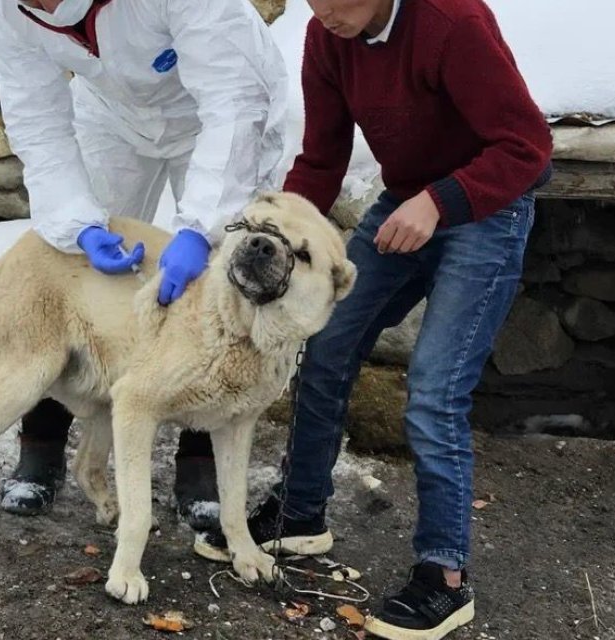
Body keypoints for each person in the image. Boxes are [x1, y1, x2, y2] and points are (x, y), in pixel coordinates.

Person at [192, 0, 552, 638]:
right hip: (404, 204)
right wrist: (278, 225)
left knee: (435, 391)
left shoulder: (453, 22)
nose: (320, 11)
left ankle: (444, 576)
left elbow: (527, 146)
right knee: (324, 347)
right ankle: (300, 515)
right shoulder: (327, 37)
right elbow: (324, 160)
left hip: (487, 211)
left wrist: (440, 202)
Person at [0, 0, 289, 532]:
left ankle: (198, 463)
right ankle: (41, 441)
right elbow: (36, 120)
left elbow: (232, 103)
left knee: (222, 283)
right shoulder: (7, 11)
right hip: (115, 114)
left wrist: (199, 228)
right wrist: (77, 223)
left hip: (223, 112)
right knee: (68, 266)